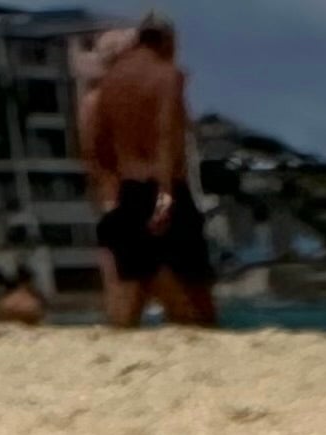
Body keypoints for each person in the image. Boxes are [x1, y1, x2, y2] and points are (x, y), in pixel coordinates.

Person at [81, 13, 215, 331]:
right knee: (196, 291)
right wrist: (166, 194)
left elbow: (96, 150)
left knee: (130, 294)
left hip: (128, 190)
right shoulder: (167, 74)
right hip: (165, 189)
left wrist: (110, 194)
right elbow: (167, 135)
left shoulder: (109, 83)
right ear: (167, 41)